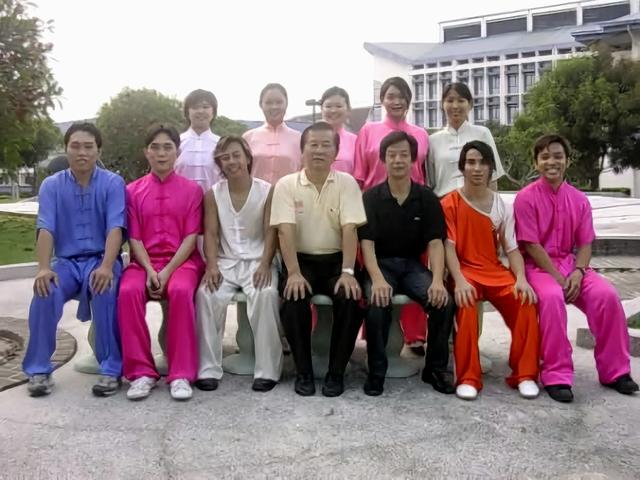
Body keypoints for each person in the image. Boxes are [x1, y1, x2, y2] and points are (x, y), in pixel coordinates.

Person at [514, 134, 638, 403]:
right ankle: (556, 374)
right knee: (551, 299)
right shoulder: (525, 198)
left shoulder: (580, 200)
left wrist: (579, 273)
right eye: (545, 157)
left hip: (572, 266)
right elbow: (532, 245)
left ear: (567, 161)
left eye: (558, 156)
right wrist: (560, 279)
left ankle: (616, 371)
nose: (552, 162)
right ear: (536, 163)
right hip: (539, 267)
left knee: (607, 296)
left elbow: (585, 243)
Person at [23, 123, 125, 398]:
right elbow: (46, 227)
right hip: (66, 263)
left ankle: (111, 369)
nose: (82, 152)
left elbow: (115, 227)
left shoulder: (113, 183)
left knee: (105, 288)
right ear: (66, 149)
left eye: (88, 147)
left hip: (101, 259)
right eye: (75, 146)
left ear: (98, 151)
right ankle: (39, 370)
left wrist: (107, 266)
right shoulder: (51, 186)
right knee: (45, 291)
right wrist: (44, 268)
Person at [271, 121, 366, 397]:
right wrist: (293, 272)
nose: (319, 150)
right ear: (302, 150)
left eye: (326, 145)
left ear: (336, 152)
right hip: (300, 262)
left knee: (351, 298)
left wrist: (348, 271)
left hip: (338, 261)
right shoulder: (286, 185)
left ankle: (336, 373)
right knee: (293, 299)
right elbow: (284, 231)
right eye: (313, 144)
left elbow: (350, 229)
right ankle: (304, 372)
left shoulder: (346, 183)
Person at [442, 140, 540, 401]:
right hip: (464, 272)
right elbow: (448, 247)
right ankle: (468, 377)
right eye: (471, 162)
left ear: (490, 168)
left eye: (483, 163)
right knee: (465, 303)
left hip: (494, 271)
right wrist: (458, 280)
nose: (477, 168)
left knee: (525, 301)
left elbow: (512, 249)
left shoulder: (502, 206)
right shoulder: (449, 203)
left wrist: (521, 278)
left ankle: (525, 374)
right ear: (462, 167)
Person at [358, 131, 455, 396]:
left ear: (413, 159)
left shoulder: (426, 198)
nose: (398, 160)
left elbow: (436, 242)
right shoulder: (371, 198)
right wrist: (377, 279)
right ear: (383, 160)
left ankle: (435, 369)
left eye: (404, 155)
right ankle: (377, 371)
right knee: (376, 302)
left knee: (444, 302)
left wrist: (437, 280)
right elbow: (367, 243)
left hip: (412, 266)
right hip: (381, 265)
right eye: (392, 155)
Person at [118, 125, 204, 401]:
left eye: (168, 147)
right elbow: (134, 238)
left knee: (180, 290)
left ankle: (180, 374)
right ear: (146, 152)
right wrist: (149, 269)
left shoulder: (193, 191)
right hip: (143, 262)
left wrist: (166, 272)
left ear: (177, 152)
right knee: (127, 291)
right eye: (155, 147)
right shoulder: (132, 191)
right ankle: (141, 372)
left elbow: (191, 238)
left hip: (182, 262)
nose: (161, 153)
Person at [195, 136, 282, 392]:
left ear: (247, 158)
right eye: (225, 157)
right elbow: (211, 234)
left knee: (266, 294)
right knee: (206, 294)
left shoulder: (267, 190)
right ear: (219, 163)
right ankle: (208, 369)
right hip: (225, 262)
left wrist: (265, 263)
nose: (231, 161)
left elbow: (271, 232)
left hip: (259, 260)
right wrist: (211, 266)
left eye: (236, 155)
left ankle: (267, 371)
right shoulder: (213, 194)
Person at [354, 76, 429, 353]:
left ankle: (415, 335)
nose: (396, 101)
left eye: (401, 96)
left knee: (415, 268)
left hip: (411, 210)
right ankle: (377, 337)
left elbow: (423, 175)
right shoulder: (368, 131)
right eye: (390, 96)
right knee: (374, 272)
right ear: (382, 100)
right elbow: (359, 175)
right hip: (374, 210)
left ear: (409, 99)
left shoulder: (421, 134)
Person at [427, 82, 505, 198]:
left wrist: (492, 206)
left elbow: (493, 177)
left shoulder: (483, 133)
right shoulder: (432, 140)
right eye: (450, 101)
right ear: (442, 105)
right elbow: (430, 182)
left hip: (477, 203)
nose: (455, 106)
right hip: (444, 204)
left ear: (470, 104)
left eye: (461, 101)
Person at [243, 83, 301, 185]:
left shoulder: (299, 138)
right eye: (268, 103)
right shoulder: (248, 137)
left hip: (290, 194)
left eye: (279, 102)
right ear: (261, 105)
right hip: (256, 194)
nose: (274, 107)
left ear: (286, 104)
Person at [174, 89, 221, 192]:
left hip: (214, 201)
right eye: (195, 107)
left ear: (213, 112)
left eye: (205, 107)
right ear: (187, 112)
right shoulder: (176, 142)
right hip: (181, 200)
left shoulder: (221, 144)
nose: (200, 111)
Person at [320, 86, 356, 175]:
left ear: (348, 109)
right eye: (328, 106)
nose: (333, 110)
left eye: (338, 106)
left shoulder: (356, 141)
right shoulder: (310, 138)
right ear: (321, 109)